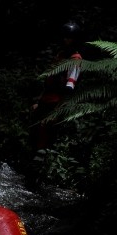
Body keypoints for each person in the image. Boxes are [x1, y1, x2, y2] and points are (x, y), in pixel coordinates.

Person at [30, 20, 84, 152]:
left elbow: (69, 87)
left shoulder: (75, 59)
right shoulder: (60, 55)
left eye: (69, 38)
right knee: (34, 125)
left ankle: (43, 160)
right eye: (64, 37)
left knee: (46, 129)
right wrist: (39, 101)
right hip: (47, 99)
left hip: (57, 102)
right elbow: (50, 79)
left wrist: (57, 111)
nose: (66, 40)